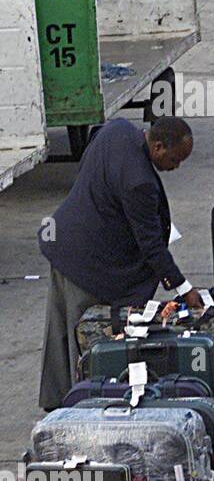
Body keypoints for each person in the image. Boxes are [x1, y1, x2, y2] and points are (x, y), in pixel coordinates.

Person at [37, 116, 203, 411]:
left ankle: (56, 399)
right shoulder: (139, 182)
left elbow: (92, 153)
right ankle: (82, 403)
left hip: (62, 240)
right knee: (87, 337)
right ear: (158, 145)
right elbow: (151, 247)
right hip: (89, 264)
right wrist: (184, 288)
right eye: (175, 159)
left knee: (58, 329)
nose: (176, 168)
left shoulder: (118, 129)